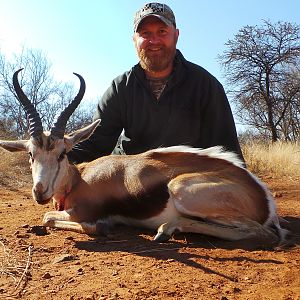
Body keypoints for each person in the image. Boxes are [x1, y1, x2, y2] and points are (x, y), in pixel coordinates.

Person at [68, 2, 244, 164]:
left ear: (176, 35)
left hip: (186, 184)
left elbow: (228, 153)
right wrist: (53, 156)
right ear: (134, 40)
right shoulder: (120, 88)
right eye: (145, 33)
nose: (154, 41)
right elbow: (94, 145)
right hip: (130, 183)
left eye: (162, 31)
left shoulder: (206, 85)